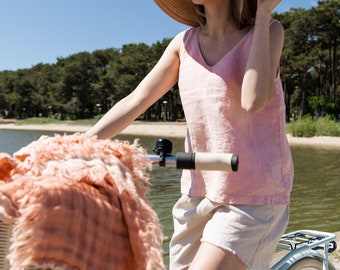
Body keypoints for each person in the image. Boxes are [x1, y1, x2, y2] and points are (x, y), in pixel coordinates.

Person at [86, 0, 294, 269]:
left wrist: (264, 12)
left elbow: (253, 100)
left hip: (254, 196)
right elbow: (134, 100)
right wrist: (70, 145)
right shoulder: (182, 44)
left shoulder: (269, 31)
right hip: (197, 193)